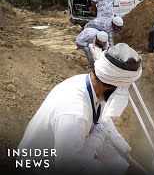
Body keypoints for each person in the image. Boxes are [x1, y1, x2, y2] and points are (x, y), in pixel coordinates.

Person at [17, 43, 142, 174]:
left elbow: (102, 122)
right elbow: (66, 167)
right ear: (114, 86)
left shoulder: (90, 84)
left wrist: (121, 162)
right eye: (124, 89)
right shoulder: (75, 114)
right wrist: (95, 140)